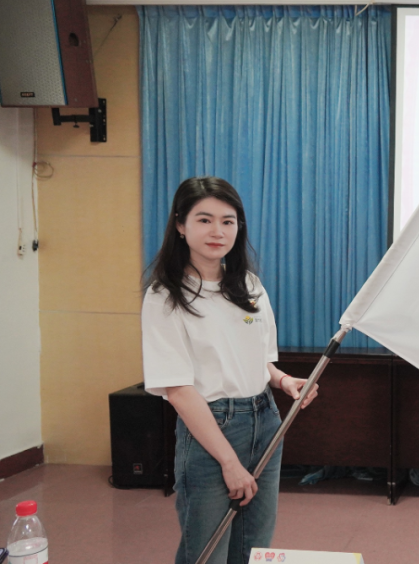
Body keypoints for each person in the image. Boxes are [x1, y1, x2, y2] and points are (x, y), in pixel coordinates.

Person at [141, 176, 318, 564]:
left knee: (253, 544)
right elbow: (178, 390)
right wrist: (229, 462)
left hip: (265, 418)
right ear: (180, 225)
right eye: (204, 220)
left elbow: (260, 360)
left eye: (228, 221)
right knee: (209, 549)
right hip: (211, 426)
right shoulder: (165, 296)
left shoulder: (249, 286)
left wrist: (284, 380)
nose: (217, 231)